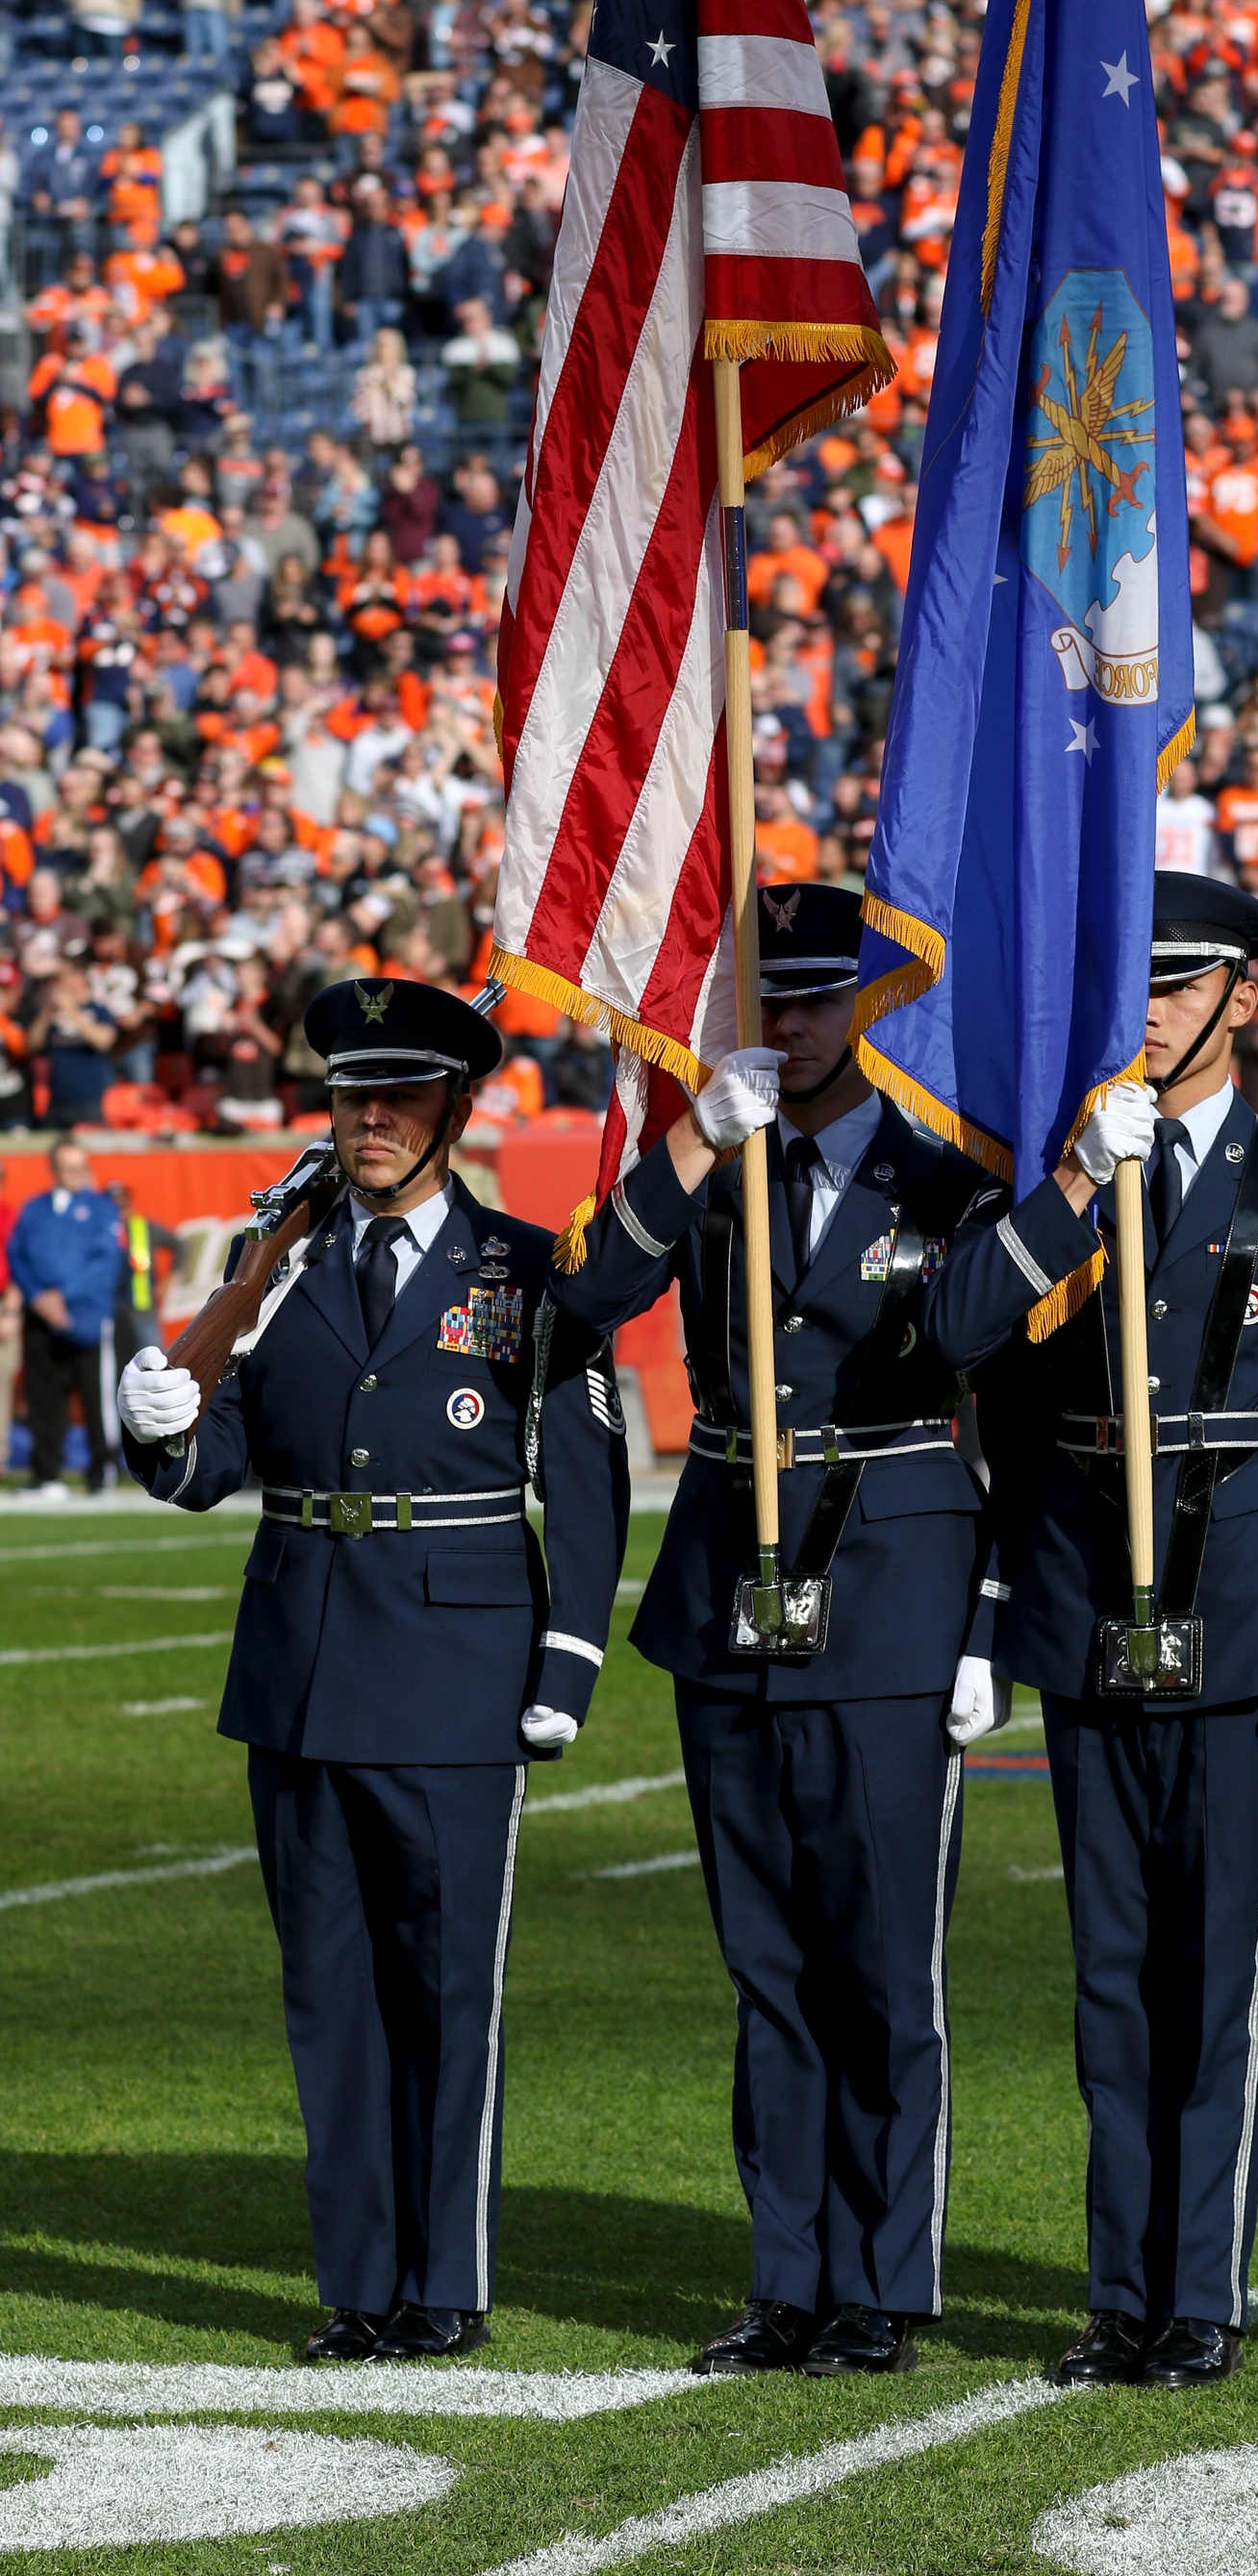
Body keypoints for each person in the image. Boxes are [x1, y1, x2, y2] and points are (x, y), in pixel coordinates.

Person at [542, 886, 1069, 2380]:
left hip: (894, 1580)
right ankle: (787, 2275)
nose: (792, 1023)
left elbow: (994, 1386)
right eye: (771, 999)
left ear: (872, 1004)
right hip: (727, 1581)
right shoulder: (710, 1155)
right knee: (765, 1959)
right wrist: (700, 1137)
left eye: (820, 997)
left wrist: (986, 1616)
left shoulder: (948, 1174)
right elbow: (585, 1299)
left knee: (881, 1961)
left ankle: (883, 2284)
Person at [114, 980, 629, 2363]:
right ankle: (358, 2282)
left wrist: (566, 1663)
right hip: (300, 1659)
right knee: (329, 1990)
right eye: (352, 1094)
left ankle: (443, 2282)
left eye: (402, 1095)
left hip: (459, 1660)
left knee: (448, 1985)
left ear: (459, 1109)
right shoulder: (273, 1265)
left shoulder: (528, 1271)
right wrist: (158, 1422)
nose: (374, 1117)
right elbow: (218, 1465)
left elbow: (581, 1484)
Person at [932, 874, 1258, 2391]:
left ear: (1242, 998)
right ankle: (1121, 2291)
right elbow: (959, 1339)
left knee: (1212, 1973)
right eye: (1135, 984)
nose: (1151, 1011)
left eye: (1181, 985)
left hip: (1238, 1605)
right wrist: (1070, 1195)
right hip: (1076, 1597)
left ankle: (1204, 2298)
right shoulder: (1062, 1163)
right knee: (1110, 1971)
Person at [10, 1139, 123, 1494]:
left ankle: (101, 1470)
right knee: (44, 1397)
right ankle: (46, 1474)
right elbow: (17, 1254)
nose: (79, 1174)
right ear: (55, 1170)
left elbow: (105, 1261)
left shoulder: (102, 1209)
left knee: (96, 1396)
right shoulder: (35, 1210)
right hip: (42, 1317)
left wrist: (63, 1294)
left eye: (82, 1166)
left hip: (86, 1316)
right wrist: (38, 1296)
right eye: (70, 1167)